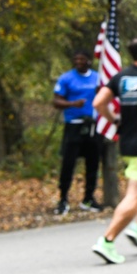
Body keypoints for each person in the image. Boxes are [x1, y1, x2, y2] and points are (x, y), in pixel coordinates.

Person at [90, 37, 137, 264]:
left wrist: (114, 120)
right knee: (135, 193)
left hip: (130, 142)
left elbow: (98, 102)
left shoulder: (121, 77)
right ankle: (107, 240)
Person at [52, 49, 102, 216]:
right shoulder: (66, 78)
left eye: (82, 59)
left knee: (93, 163)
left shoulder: (97, 77)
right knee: (68, 163)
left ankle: (88, 198)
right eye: (76, 59)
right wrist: (73, 104)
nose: (79, 62)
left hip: (93, 126)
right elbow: (56, 101)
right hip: (74, 125)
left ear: (89, 60)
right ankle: (63, 199)